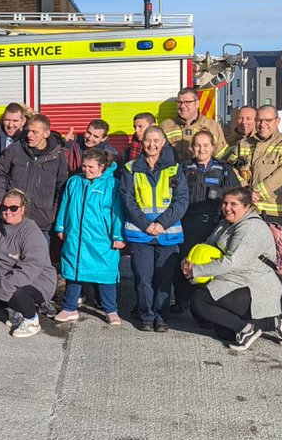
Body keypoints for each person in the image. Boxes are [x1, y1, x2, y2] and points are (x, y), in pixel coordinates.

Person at [184, 187, 282, 352]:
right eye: (225, 203)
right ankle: (271, 323)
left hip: (255, 286)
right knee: (222, 331)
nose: (227, 208)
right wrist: (188, 262)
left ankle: (250, 329)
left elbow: (232, 262)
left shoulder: (251, 228)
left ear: (246, 207)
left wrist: (197, 271)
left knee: (199, 301)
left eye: (233, 204)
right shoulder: (226, 223)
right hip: (234, 280)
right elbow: (208, 244)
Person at [121, 125, 189, 331]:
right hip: (140, 234)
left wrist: (161, 223)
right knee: (143, 278)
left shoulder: (175, 169)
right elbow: (127, 199)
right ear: (142, 143)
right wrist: (146, 224)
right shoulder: (130, 168)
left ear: (163, 143)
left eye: (156, 141)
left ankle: (162, 317)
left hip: (167, 234)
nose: (151, 145)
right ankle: (147, 315)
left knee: (164, 279)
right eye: (147, 141)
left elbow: (181, 200)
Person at [239, 105, 282, 321]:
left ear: (277, 122)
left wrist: (259, 192)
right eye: (259, 120)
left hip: (274, 214)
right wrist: (244, 193)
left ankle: (281, 316)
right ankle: (255, 314)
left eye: (268, 120)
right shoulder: (245, 144)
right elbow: (234, 169)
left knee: (278, 268)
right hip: (250, 214)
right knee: (249, 264)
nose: (262, 124)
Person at [0, 189, 56, 338]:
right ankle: (14, 310)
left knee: (17, 293)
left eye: (13, 208)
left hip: (34, 279)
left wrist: (6, 286)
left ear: (23, 209)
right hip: (3, 277)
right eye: (4, 207)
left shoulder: (31, 231)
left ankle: (31, 320)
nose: (8, 212)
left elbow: (31, 266)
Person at [53, 148, 125, 325]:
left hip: (102, 239)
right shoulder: (74, 182)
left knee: (105, 274)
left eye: (91, 167)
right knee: (74, 272)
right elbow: (65, 204)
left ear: (102, 166)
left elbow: (117, 211)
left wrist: (118, 235)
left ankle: (111, 310)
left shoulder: (112, 185)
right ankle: (70, 308)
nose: (86, 170)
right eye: (84, 166)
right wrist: (61, 226)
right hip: (76, 237)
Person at [174, 130, 239, 315]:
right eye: (197, 145)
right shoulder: (184, 168)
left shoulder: (224, 169)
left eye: (205, 145)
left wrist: (220, 195)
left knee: (210, 263)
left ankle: (206, 302)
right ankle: (181, 299)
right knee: (184, 260)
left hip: (214, 224)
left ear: (212, 147)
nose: (201, 149)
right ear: (192, 148)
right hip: (188, 222)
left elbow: (234, 193)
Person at [0, 113, 70, 240]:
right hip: (14, 218)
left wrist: (53, 214)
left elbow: (61, 188)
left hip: (42, 223)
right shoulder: (16, 149)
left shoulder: (58, 156)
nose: (29, 135)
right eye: (28, 131)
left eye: (35, 132)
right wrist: (1, 200)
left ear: (46, 134)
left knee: (38, 259)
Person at [160, 87, 226, 164]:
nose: (182, 106)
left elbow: (222, 156)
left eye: (187, 102)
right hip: (174, 174)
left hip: (201, 174)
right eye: (179, 102)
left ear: (197, 103)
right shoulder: (165, 126)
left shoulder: (212, 126)